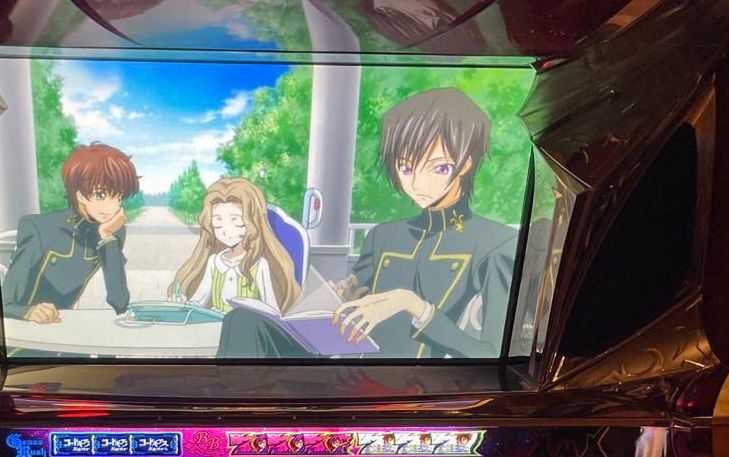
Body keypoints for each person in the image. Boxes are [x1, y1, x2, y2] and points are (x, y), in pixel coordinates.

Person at [217, 87, 518, 360]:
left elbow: (491, 355)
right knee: (243, 320)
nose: (416, 183)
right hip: (348, 367)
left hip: (414, 385)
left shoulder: (495, 243)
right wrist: (339, 296)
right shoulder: (384, 235)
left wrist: (412, 304)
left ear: (466, 163)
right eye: (406, 168)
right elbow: (355, 293)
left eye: (438, 167)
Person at [2, 143, 139, 322]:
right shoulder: (40, 228)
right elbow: (4, 303)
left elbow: (119, 302)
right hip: (25, 329)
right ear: (80, 195)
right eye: (100, 195)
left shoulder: (111, 229)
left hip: (63, 327)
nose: (112, 207)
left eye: (118, 197)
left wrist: (107, 237)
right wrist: (29, 312)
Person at [171, 178, 300, 315]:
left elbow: (273, 311)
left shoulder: (259, 265)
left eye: (236, 220)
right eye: (218, 222)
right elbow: (198, 302)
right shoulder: (214, 262)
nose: (226, 230)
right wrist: (183, 304)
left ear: (252, 221)